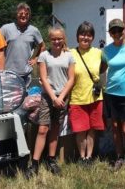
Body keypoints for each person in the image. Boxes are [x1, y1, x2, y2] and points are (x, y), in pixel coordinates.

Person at [26, 26, 75, 177]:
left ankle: (51, 160)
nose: (57, 41)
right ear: (50, 40)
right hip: (48, 97)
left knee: (55, 129)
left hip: (63, 97)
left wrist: (61, 97)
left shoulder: (69, 56)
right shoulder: (44, 56)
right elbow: (43, 78)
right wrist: (54, 97)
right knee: (43, 129)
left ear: (63, 39)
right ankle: (35, 163)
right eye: (53, 38)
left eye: (59, 38)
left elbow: (71, 78)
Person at [101, 18, 125, 171]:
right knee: (115, 128)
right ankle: (119, 157)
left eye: (119, 30)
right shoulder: (106, 51)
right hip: (111, 93)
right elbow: (100, 69)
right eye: (113, 31)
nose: (117, 33)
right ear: (110, 33)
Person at [69, 21, 105, 165]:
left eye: (89, 35)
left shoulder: (98, 53)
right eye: (83, 34)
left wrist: (102, 84)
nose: (86, 37)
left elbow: (106, 67)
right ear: (77, 36)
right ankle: (81, 157)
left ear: (93, 37)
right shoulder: (70, 53)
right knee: (80, 130)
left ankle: (89, 157)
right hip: (77, 97)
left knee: (92, 129)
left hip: (95, 98)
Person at [0, 2, 45, 86]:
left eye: (26, 14)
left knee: (25, 98)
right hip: (8, 73)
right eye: (21, 13)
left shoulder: (34, 30)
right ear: (16, 14)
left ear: (29, 15)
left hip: (26, 74)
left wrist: (36, 59)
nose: (23, 15)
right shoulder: (5, 29)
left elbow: (42, 46)